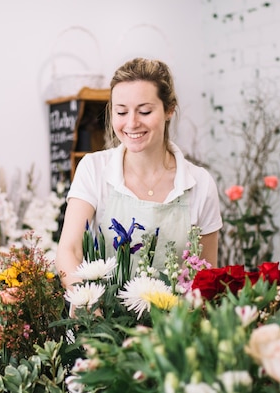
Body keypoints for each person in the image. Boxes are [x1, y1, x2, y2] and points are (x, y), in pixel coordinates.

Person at [55, 57, 222, 288]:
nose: (132, 123)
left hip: (175, 322)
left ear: (169, 110)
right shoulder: (93, 168)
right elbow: (69, 251)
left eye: (144, 111)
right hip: (102, 318)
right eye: (121, 112)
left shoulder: (200, 183)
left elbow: (206, 276)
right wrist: (87, 303)